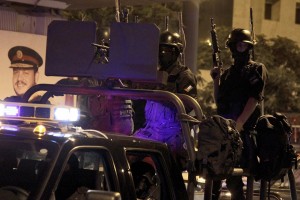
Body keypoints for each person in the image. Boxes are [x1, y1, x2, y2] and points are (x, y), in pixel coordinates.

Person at [210, 28, 268, 200]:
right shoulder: (228, 73)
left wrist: (240, 123)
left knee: (234, 178)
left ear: (249, 47)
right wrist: (216, 80)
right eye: (236, 45)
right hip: (226, 131)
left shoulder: (256, 68)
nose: (239, 49)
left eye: (243, 45)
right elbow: (219, 100)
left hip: (245, 132)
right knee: (212, 172)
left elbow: (254, 98)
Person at [134, 30, 198, 168]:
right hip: (150, 129)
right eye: (160, 49)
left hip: (172, 132)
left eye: (167, 50)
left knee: (160, 162)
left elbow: (189, 106)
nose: (162, 53)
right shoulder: (154, 73)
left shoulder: (184, 76)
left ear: (176, 52)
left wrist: (164, 95)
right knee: (128, 153)